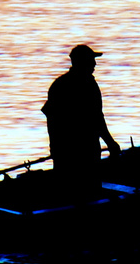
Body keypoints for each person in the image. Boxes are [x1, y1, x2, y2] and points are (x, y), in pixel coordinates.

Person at [43, 44, 121, 179]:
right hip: (86, 151)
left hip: (63, 153)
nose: (95, 64)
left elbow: (50, 118)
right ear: (82, 62)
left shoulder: (58, 84)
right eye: (91, 59)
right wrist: (110, 143)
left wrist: (55, 150)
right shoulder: (87, 84)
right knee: (89, 188)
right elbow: (96, 118)